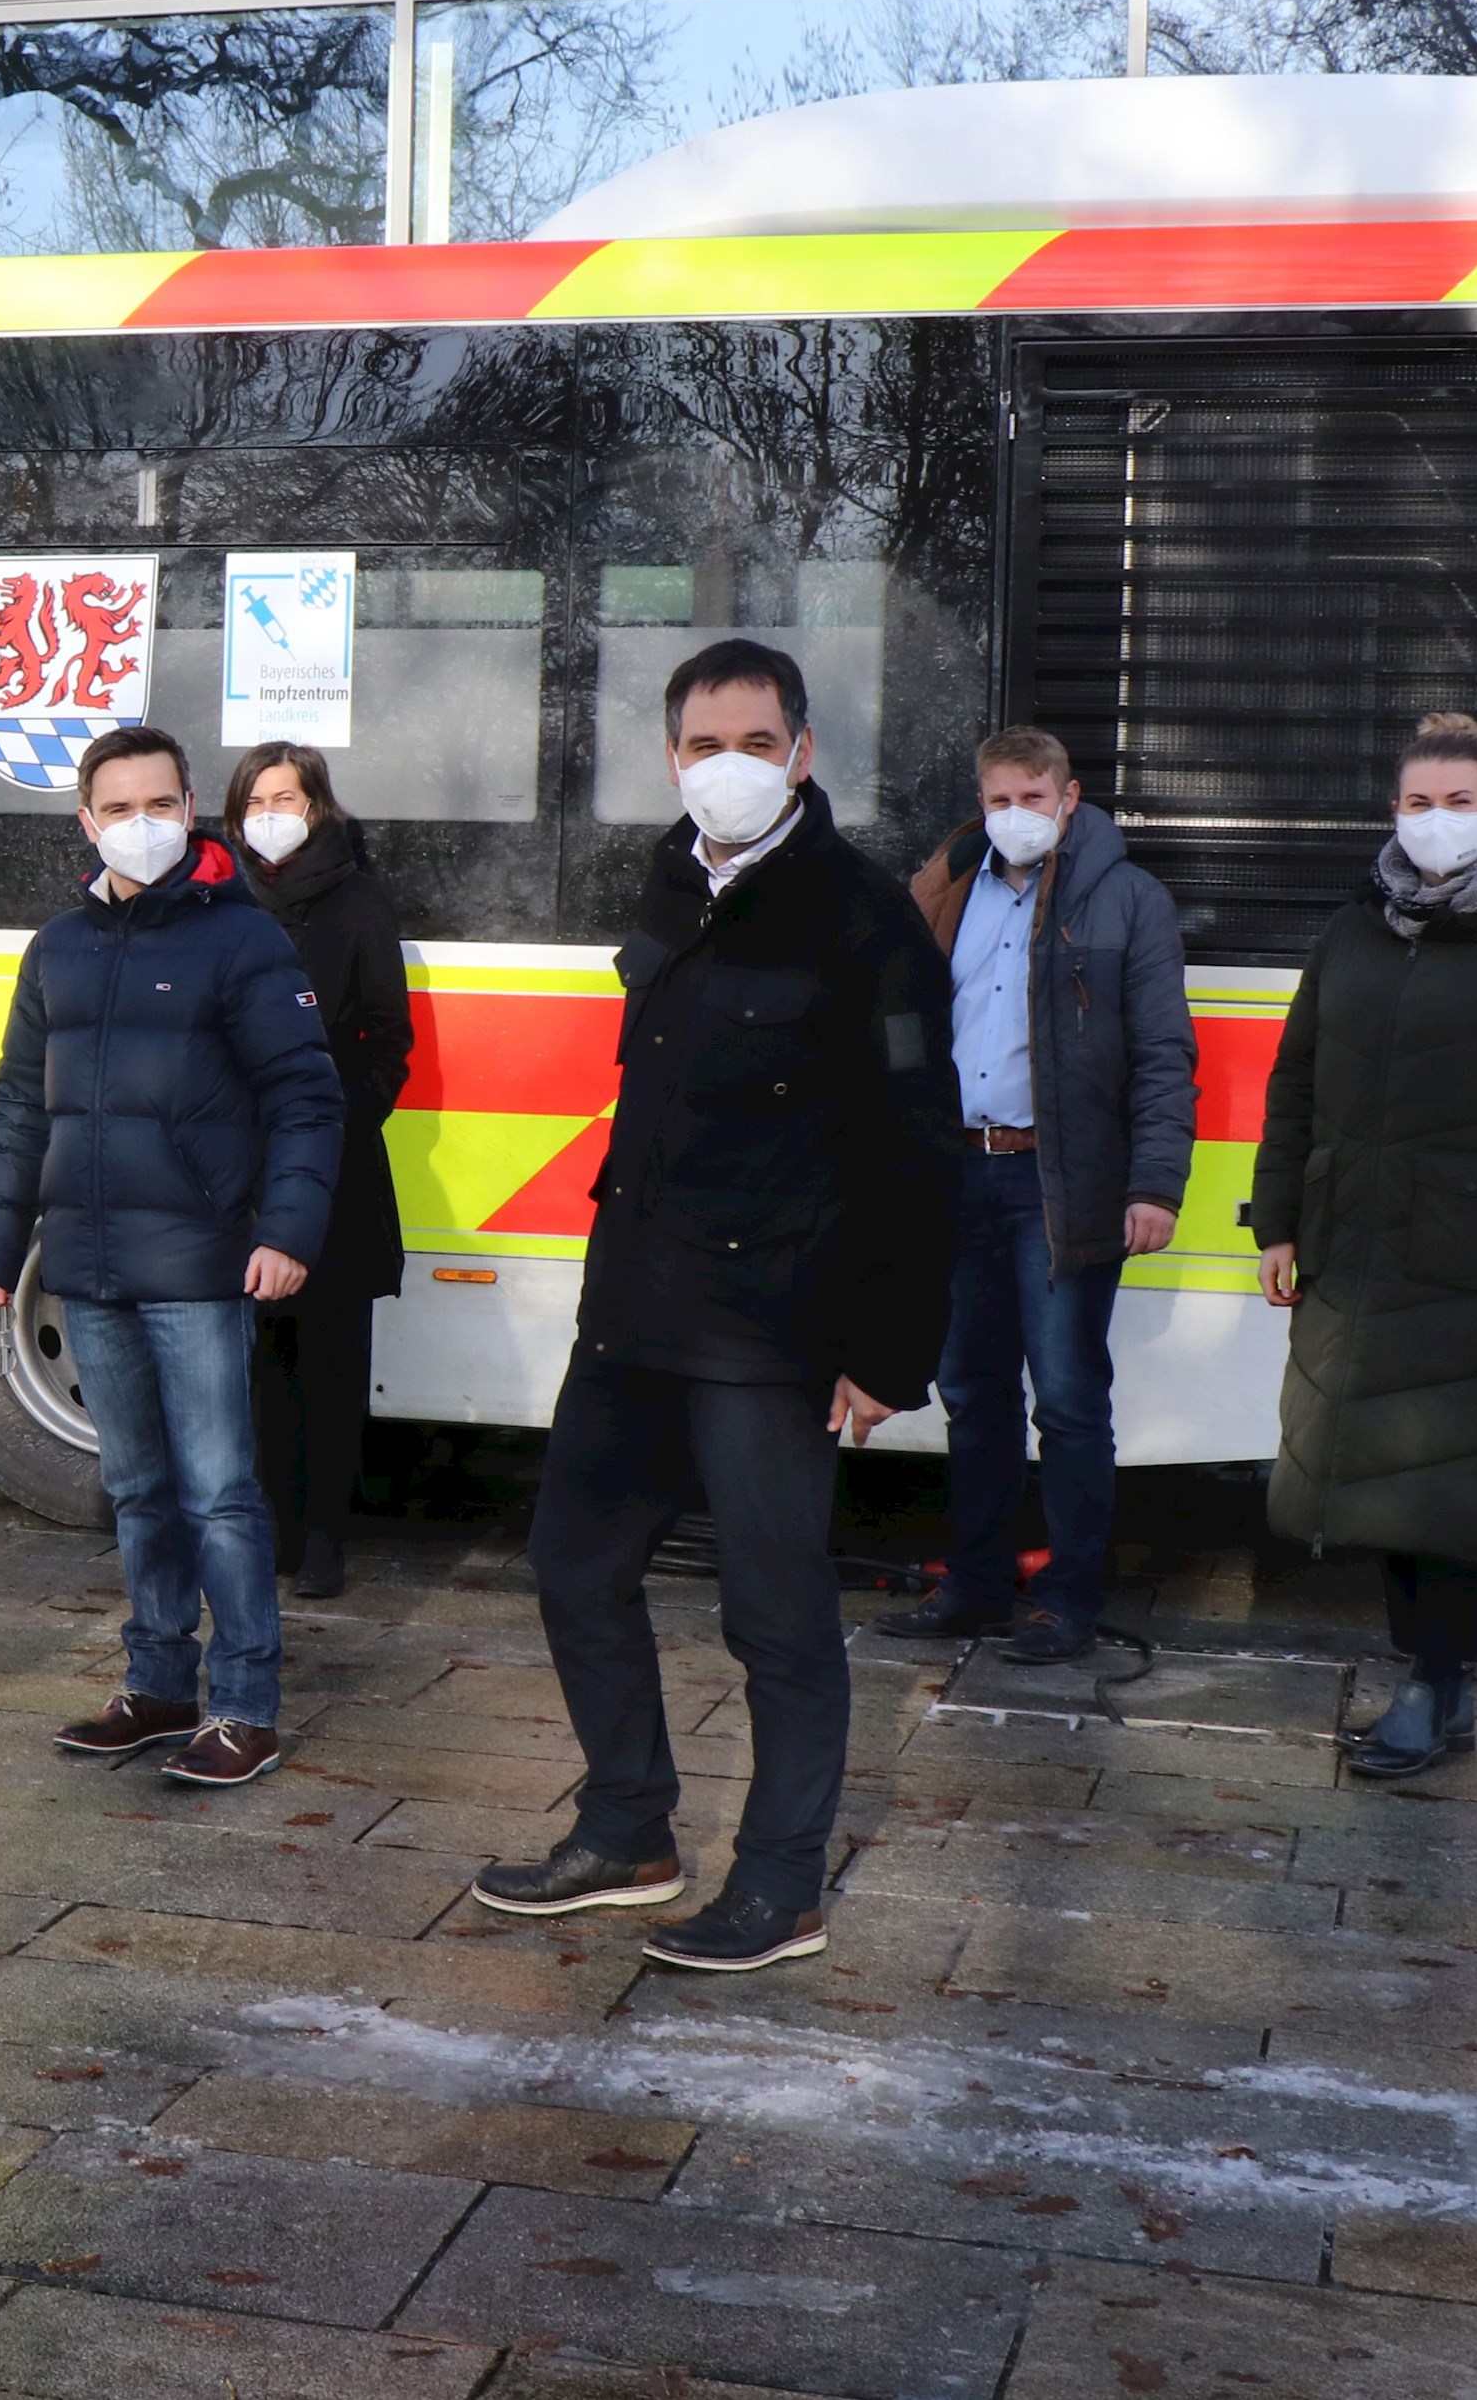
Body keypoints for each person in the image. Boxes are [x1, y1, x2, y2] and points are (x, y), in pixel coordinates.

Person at [471, 639, 958, 1973]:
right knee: (574, 1563)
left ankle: (781, 1885)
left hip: (770, 1326)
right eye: (701, 745)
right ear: (671, 757)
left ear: (801, 753)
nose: (726, 768)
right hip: (635, 1307)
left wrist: (887, 1350)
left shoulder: (865, 919)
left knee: (775, 1614)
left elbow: (920, 1150)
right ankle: (628, 1828)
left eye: (754, 744)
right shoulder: (669, 884)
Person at [0, 723, 343, 1789]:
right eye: (120, 808)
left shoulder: (243, 940)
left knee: (220, 1490)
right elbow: (16, 1106)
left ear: (192, 812)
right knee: (134, 1488)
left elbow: (306, 1097)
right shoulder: (57, 948)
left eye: (162, 805)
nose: (143, 825)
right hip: (88, 1263)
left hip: (195, 1262)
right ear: (87, 823)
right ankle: (159, 1685)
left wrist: (285, 1230)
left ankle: (244, 1704)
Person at [1253, 712, 1477, 1780]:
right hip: (1355, 1253)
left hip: (1473, 1264)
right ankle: (1431, 1684)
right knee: (1378, 1483)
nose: (1437, 821)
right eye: (1418, 802)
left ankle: (1433, 1682)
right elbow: (1296, 1085)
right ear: (1393, 812)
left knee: (1449, 1489)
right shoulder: (1355, 928)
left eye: (1459, 802)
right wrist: (1276, 1219)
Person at [879, 728, 1197, 1665]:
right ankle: (975, 1586)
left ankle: (1066, 1600)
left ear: (1069, 795)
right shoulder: (951, 892)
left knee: (1065, 1398)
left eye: (1030, 795)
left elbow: (1164, 1055)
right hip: (956, 1170)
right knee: (971, 1392)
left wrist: (1154, 1184)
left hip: (1059, 1180)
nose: (1012, 814)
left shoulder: (1129, 901)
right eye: (995, 798)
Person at [229, 741, 413, 1601]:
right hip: (244, 1169)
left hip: (337, 1167)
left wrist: (338, 1119)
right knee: (263, 1360)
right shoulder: (221, 899)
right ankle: (272, 1524)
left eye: (286, 797)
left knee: (333, 1359)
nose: (271, 813)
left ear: (318, 807)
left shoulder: (359, 901)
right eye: (256, 799)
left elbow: (389, 1041)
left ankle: (327, 1534)